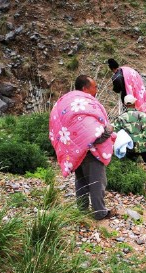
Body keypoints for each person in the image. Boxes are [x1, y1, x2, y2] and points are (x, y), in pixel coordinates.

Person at [49, 75, 114, 220]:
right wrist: (109, 130)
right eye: (95, 87)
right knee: (97, 182)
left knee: (81, 181)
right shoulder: (84, 104)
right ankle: (100, 213)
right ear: (85, 88)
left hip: (74, 153)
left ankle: (82, 211)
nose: (97, 89)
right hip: (90, 153)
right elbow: (95, 136)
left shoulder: (65, 101)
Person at [113, 94, 146, 188]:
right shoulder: (143, 115)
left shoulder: (121, 118)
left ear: (125, 104)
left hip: (130, 147)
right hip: (145, 146)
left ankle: (129, 185)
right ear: (134, 103)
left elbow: (114, 132)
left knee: (127, 164)